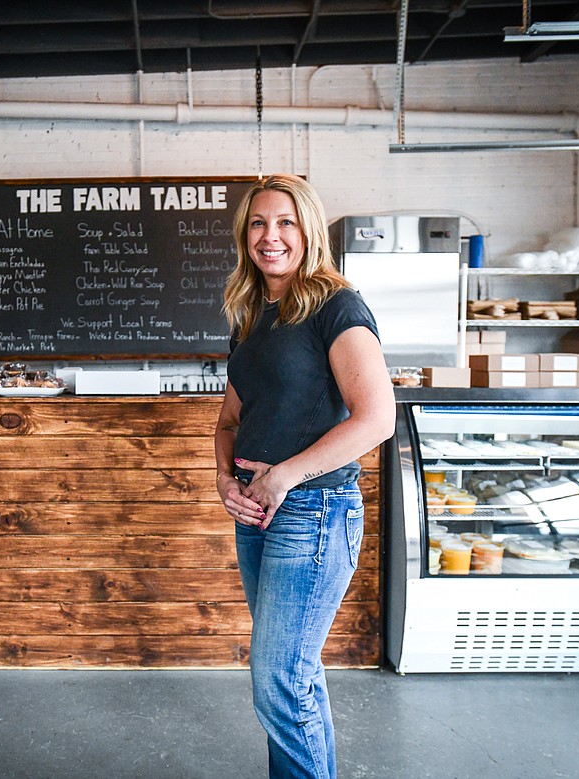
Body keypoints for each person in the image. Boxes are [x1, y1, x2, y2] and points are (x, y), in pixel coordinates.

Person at [214, 174, 396, 778]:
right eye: (259, 224)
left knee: (280, 683)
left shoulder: (336, 305)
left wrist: (282, 477)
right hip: (258, 516)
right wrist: (225, 480)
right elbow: (228, 422)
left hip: (315, 513)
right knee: (292, 679)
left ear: (308, 229)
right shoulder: (250, 316)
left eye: (285, 222)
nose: (271, 237)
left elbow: (377, 418)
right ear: (245, 235)